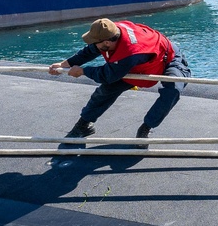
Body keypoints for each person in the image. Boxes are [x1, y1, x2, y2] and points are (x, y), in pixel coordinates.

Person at [49, 18, 190, 147]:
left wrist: (83, 71)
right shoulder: (110, 30)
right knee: (106, 90)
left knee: (173, 89)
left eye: (96, 43)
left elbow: (107, 75)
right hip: (139, 62)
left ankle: (146, 128)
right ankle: (83, 125)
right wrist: (64, 64)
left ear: (107, 43)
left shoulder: (129, 52)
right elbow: (90, 50)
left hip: (169, 58)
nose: (93, 45)